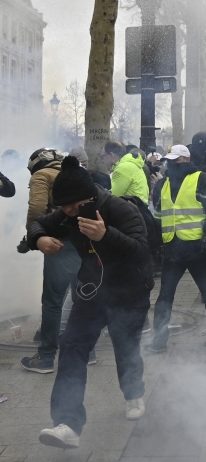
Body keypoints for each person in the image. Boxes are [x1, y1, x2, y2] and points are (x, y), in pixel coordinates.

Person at [31, 156, 154, 448]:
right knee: (71, 345)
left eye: (74, 207)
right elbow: (38, 223)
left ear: (89, 198)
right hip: (91, 292)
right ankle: (68, 424)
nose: (68, 212)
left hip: (129, 292)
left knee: (126, 347)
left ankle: (134, 393)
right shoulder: (66, 211)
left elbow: (141, 251)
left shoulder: (120, 209)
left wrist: (106, 234)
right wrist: (39, 240)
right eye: (63, 207)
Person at [148, 145, 206, 352]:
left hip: (198, 248)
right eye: (169, 161)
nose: (172, 164)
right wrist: (158, 242)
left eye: (176, 160)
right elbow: (159, 215)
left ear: (187, 159)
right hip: (173, 249)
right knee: (165, 296)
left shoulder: (202, 179)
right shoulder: (163, 184)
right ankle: (159, 339)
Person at [21, 148, 84, 374]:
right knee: (82, 298)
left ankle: (46, 357)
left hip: (59, 242)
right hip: (83, 240)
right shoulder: (75, 172)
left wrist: (33, 236)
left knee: (53, 302)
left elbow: (37, 208)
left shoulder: (41, 175)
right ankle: (87, 353)